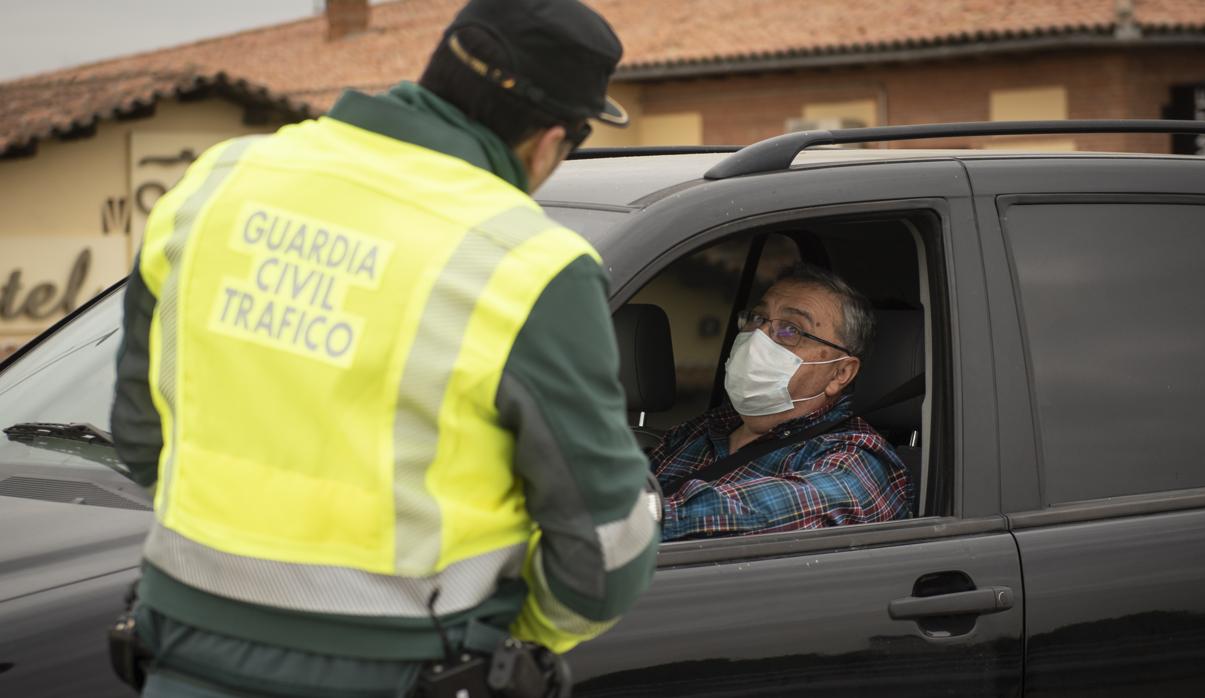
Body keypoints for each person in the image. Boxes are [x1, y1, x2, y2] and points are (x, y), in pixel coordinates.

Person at [108, 0, 660, 695]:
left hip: (183, 648)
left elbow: (139, 433)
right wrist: (524, 635)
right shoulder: (527, 263)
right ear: (551, 140)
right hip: (405, 668)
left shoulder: (217, 182)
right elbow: (605, 556)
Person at [649, 264, 912, 541]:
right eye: (757, 318)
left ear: (840, 373)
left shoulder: (858, 461)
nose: (758, 336)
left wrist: (627, 523)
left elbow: (756, 513)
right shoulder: (697, 431)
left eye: (791, 330)